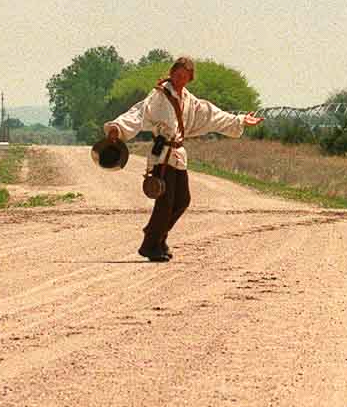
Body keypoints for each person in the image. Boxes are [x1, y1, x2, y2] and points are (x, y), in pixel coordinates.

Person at [103, 56, 263, 262]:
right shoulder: (159, 96)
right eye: (177, 75)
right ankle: (150, 244)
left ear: (190, 79)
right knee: (165, 202)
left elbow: (211, 114)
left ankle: (157, 237)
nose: (180, 80)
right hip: (163, 156)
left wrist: (240, 120)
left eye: (185, 77)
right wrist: (118, 128)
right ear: (171, 73)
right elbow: (138, 112)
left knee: (183, 200)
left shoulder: (188, 99)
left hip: (178, 154)